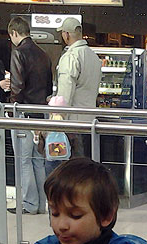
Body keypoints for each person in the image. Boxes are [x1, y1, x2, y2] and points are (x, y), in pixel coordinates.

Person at [7, 16, 53, 215]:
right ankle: (42, 204)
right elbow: (49, 87)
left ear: (14, 33)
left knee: (23, 160)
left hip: (24, 113)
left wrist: (12, 109)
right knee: (37, 160)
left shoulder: (18, 53)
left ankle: (29, 204)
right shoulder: (44, 54)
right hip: (40, 114)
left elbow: (17, 87)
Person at [55, 17, 101, 156]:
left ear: (66, 35)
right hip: (91, 120)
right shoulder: (94, 56)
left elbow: (65, 93)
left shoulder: (70, 57)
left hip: (73, 122)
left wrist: (58, 116)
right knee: (87, 163)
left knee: (70, 163)